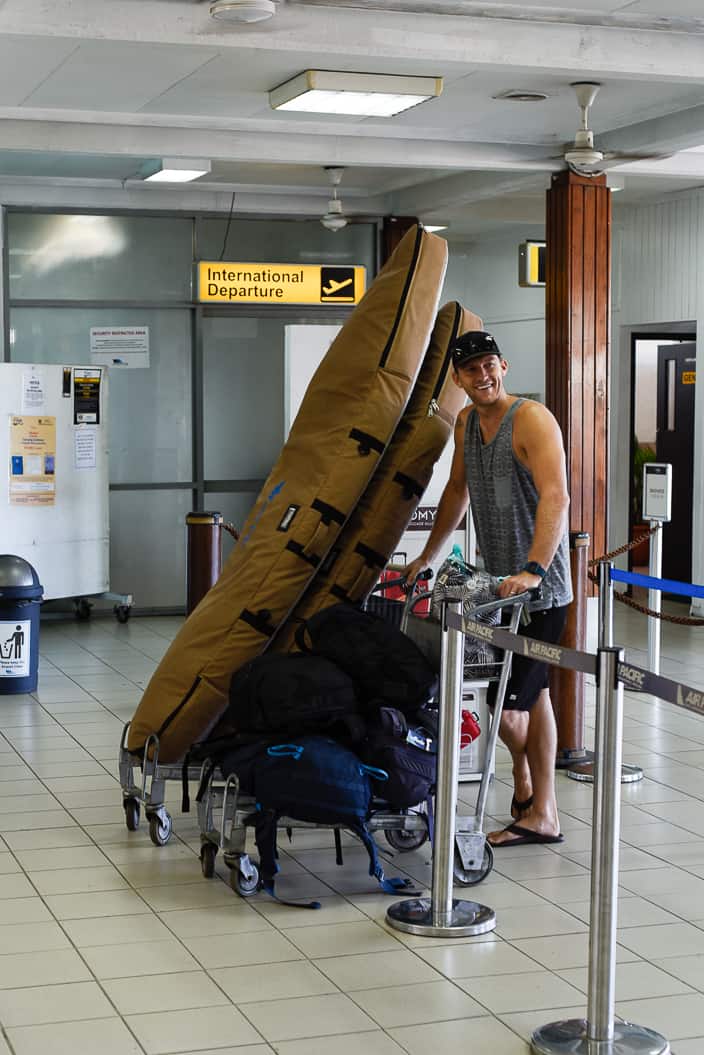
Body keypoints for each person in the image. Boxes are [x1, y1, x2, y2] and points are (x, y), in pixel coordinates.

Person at [405, 330, 572, 847]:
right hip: (497, 592)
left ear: (504, 365)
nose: (483, 376)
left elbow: (557, 496)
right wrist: (428, 558)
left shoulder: (531, 419)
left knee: (517, 708)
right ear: (457, 378)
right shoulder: (466, 424)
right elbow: (456, 490)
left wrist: (535, 569)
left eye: (489, 365)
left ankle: (540, 807)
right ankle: (531, 797)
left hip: (539, 592)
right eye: (471, 369)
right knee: (512, 700)